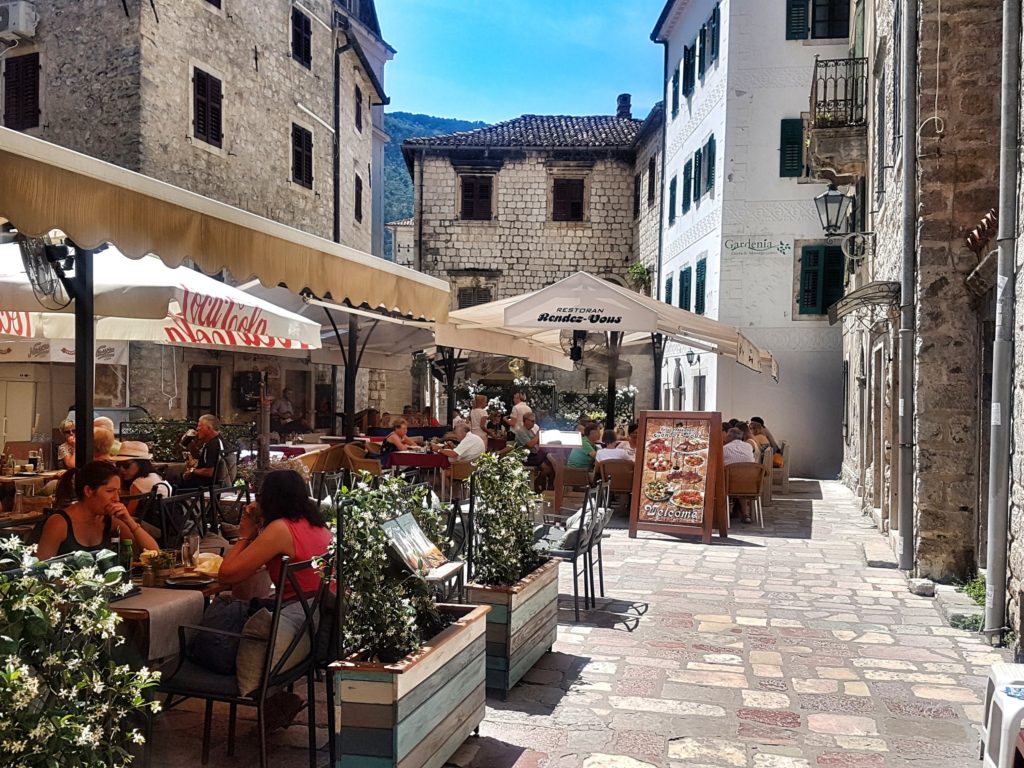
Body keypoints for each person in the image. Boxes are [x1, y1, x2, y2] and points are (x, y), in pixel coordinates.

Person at [217, 469, 333, 731]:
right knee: (246, 605)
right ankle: (275, 703)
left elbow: (227, 575)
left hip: (295, 624)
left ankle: (270, 699)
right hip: (318, 623)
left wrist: (245, 534)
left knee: (218, 615)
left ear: (270, 499)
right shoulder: (314, 522)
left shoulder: (281, 529)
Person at [36, 461, 159, 560]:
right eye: (109, 491)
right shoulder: (60, 523)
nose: (116, 498)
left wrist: (129, 521)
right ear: (88, 491)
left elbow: (155, 554)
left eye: (118, 492)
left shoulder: (108, 519)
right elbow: (40, 570)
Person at [113, 441, 170, 518]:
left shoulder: (139, 483)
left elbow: (129, 515)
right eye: (118, 465)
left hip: (152, 526)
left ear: (140, 464)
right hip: (170, 524)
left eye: (126, 465)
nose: (122, 469)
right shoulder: (156, 476)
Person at [180, 414, 225, 488]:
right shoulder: (221, 441)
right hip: (220, 484)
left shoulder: (212, 445)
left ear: (208, 428)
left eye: (199, 426)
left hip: (205, 487)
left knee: (172, 481)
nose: (197, 429)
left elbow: (209, 472)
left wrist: (192, 471)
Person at [723, 427, 756, 524]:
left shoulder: (725, 449)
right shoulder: (748, 446)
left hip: (730, 485)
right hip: (750, 485)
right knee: (742, 481)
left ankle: (722, 513)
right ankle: (745, 513)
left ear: (729, 436)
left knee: (723, 481)